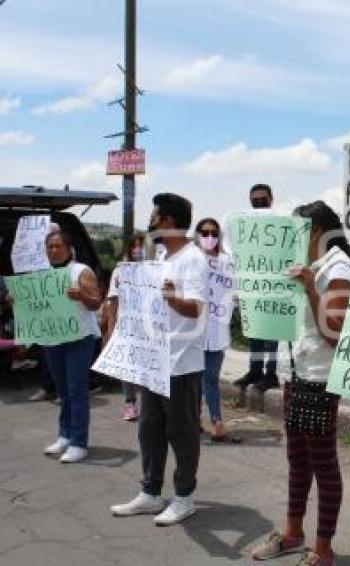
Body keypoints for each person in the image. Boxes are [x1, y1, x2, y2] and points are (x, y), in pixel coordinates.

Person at [251, 200, 350, 566]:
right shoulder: (309, 266)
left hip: (319, 379)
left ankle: (323, 550)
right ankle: (293, 534)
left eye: (295, 230)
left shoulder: (338, 267)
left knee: (324, 464)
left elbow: (336, 331)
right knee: (298, 460)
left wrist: (311, 287)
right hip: (295, 374)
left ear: (313, 232)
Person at [110, 192, 209, 526]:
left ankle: (184, 498)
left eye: (153, 217)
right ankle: (150, 493)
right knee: (148, 429)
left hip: (181, 363)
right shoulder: (161, 256)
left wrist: (171, 299)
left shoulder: (193, 258)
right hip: (154, 361)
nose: (150, 222)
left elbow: (194, 309)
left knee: (182, 433)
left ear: (166, 221)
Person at [42, 230, 103, 463]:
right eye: (50, 247)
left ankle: (79, 442)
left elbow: (96, 302)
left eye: (58, 246)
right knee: (63, 391)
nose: (54, 251)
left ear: (69, 249)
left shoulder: (81, 271)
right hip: (53, 339)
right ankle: (65, 435)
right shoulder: (43, 275)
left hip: (79, 339)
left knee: (77, 390)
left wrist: (82, 297)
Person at [194, 217, 240, 442]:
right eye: (204, 233)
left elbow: (236, 291)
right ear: (197, 235)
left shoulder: (227, 262)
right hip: (192, 333)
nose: (209, 237)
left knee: (211, 378)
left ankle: (216, 420)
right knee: (193, 380)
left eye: (213, 233)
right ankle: (194, 419)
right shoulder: (191, 261)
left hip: (217, 332)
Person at [234, 183, 281, 391]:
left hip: (275, 290)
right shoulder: (246, 228)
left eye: (262, 199)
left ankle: (271, 374)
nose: (259, 203)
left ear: (271, 200)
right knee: (254, 333)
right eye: (255, 200)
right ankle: (255, 371)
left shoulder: (280, 225)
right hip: (253, 289)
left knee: (271, 335)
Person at [103, 234, 147, 421]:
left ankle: (149, 405)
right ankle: (130, 403)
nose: (138, 250)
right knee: (126, 367)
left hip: (148, 329)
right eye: (134, 246)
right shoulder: (120, 271)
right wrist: (111, 330)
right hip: (126, 326)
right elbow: (113, 302)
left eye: (141, 246)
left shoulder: (155, 270)